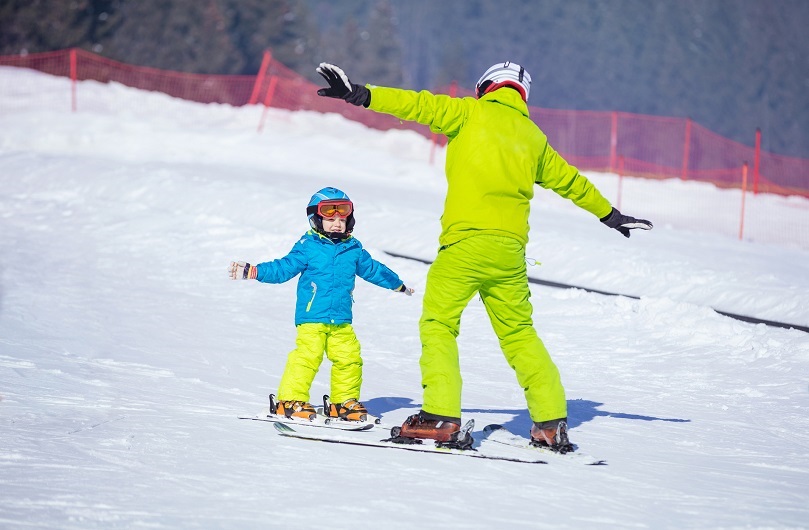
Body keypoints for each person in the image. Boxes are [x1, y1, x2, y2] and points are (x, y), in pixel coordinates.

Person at [315, 61, 652, 451]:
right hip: (509, 254)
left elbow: (415, 104)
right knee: (519, 333)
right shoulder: (533, 138)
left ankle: (440, 414)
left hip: (464, 247)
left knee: (439, 324)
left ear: (485, 87)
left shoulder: (467, 113)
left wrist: (360, 94)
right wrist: (610, 214)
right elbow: (571, 181)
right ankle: (550, 422)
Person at [229, 186, 414, 423]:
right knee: (308, 357)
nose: (337, 224)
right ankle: (289, 401)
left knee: (349, 358)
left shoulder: (353, 248)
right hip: (312, 316)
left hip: (341, 319)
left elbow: (374, 269)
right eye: (330, 219)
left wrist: (397, 284)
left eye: (342, 219)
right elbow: (283, 268)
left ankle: (343, 403)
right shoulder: (308, 246)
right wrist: (255, 271)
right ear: (316, 219)